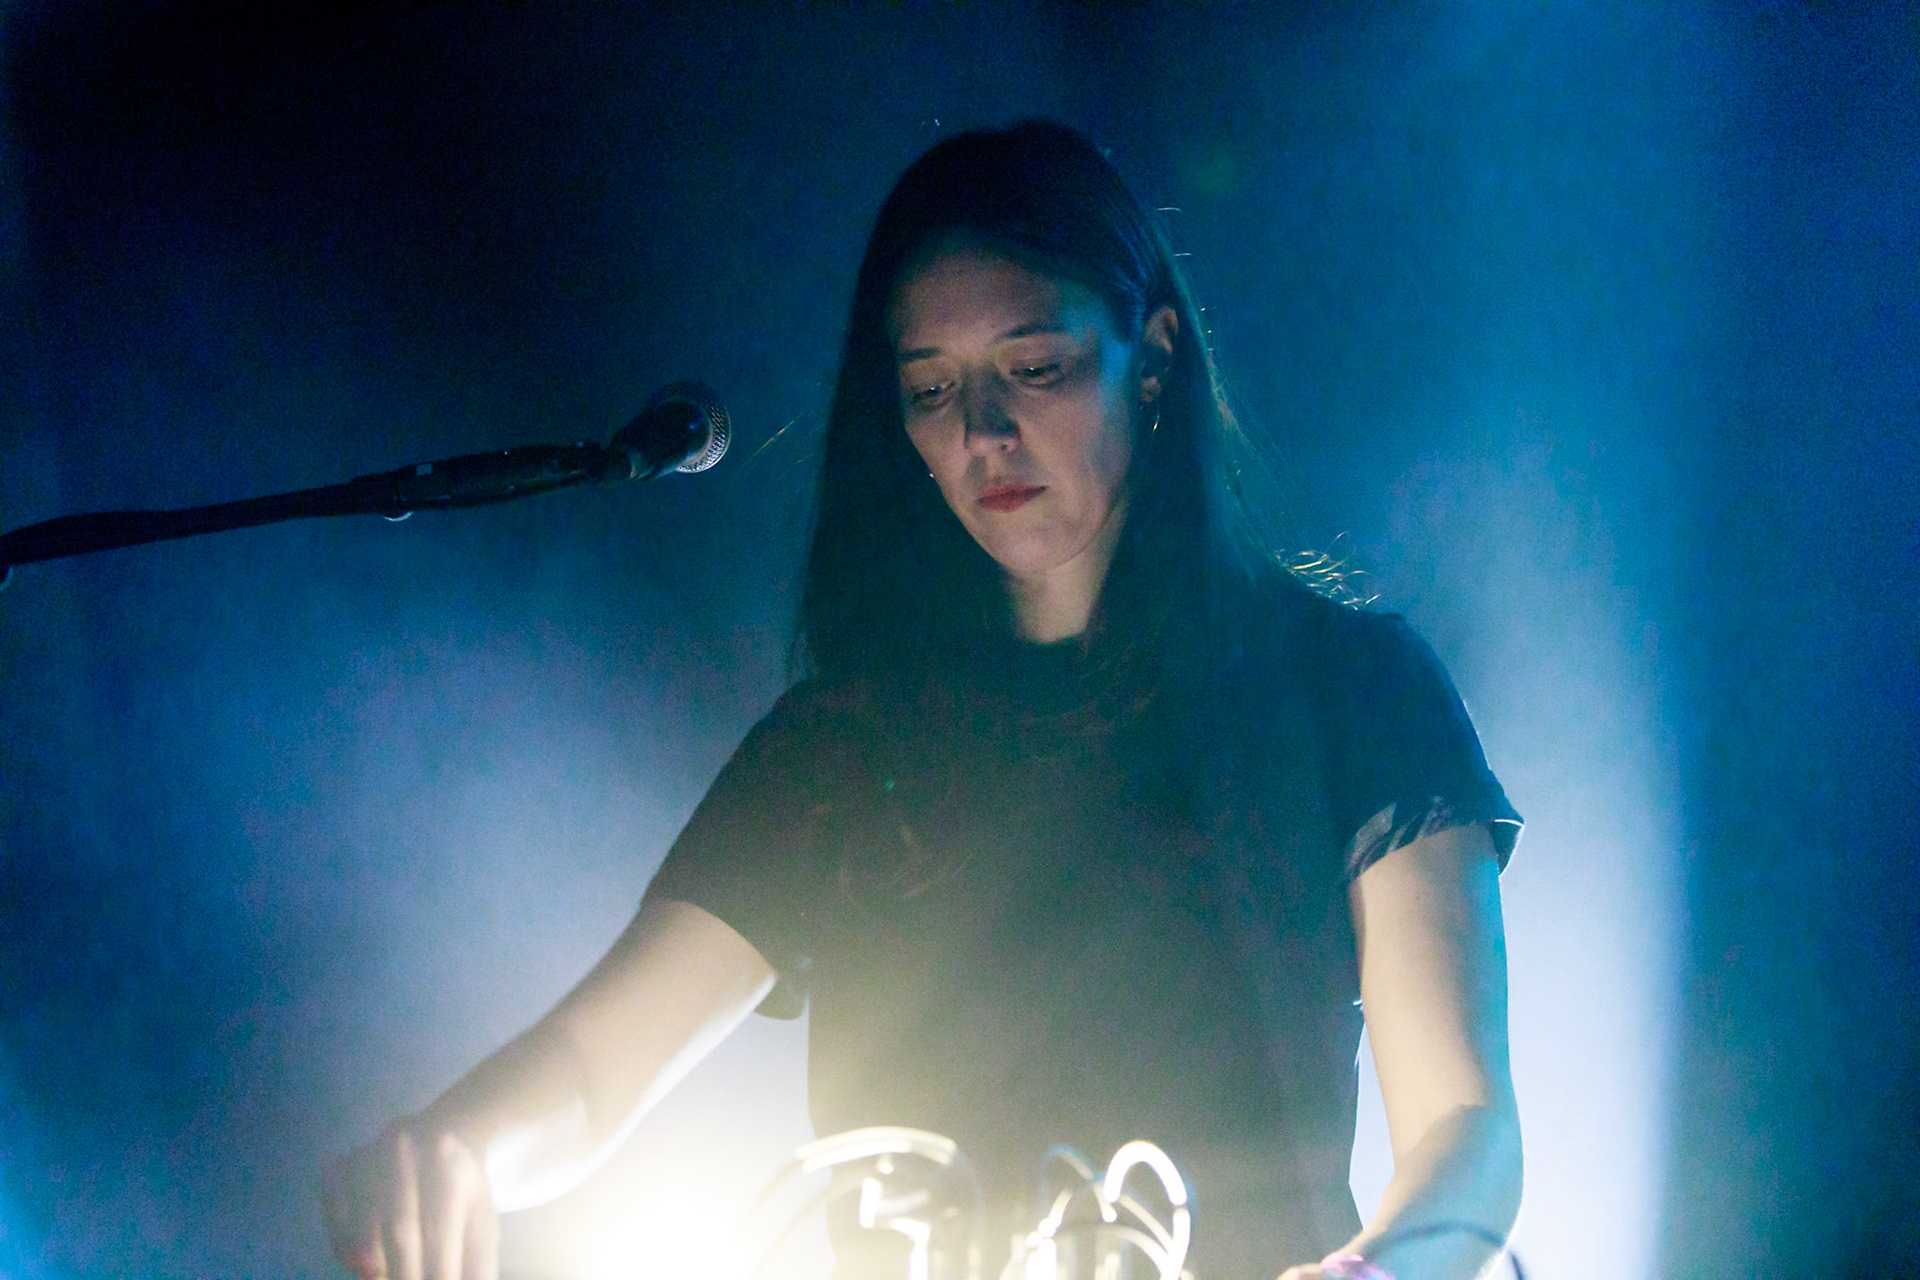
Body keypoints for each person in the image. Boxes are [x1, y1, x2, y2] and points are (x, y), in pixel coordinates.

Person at [323, 121, 1524, 1280]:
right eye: (931, 389)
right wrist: (454, 1147)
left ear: (1152, 354)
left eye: (1034, 368)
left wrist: (1379, 1268)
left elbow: (1465, 1121)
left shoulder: (1343, 684)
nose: (984, 432)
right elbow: (593, 1064)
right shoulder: (843, 743)